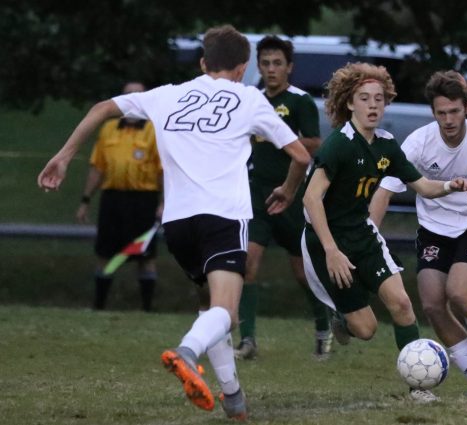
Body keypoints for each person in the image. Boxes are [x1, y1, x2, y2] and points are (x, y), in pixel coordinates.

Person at [38, 25, 311, 421]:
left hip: (179, 225)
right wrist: (287, 191)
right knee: (227, 312)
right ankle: (186, 351)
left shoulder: (166, 95)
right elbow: (301, 156)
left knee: (209, 307)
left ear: (203, 63)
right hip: (222, 217)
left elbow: (102, 108)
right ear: (244, 66)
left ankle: (233, 398)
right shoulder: (250, 99)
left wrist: (64, 155)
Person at [300, 62, 467, 403]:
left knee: (402, 304)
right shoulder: (339, 145)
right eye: (364, 98)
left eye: (379, 98)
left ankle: (418, 388)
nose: (373, 105)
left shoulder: (387, 145)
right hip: (327, 242)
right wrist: (332, 250)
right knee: (365, 330)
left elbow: (422, 186)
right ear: (350, 103)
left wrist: (449, 185)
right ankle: (342, 318)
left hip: (362, 236)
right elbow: (310, 198)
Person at [369, 70, 467, 399]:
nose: (449, 120)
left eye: (454, 111)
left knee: (458, 293)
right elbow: (384, 192)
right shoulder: (418, 143)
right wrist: (369, 238)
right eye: (441, 113)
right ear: (433, 113)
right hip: (433, 230)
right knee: (432, 304)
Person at [235, 35, 332, 361]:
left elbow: (315, 143)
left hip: (291, 193)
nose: (272, 69)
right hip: (258, 194)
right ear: (257, 67)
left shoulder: (300, 101)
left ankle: (323, 327)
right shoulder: (253, 100)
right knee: (247, 263)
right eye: (265, 63)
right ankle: (247, 341)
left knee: (302, 272)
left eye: (278, 63)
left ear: (289, 67)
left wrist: (282, 141)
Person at [76, 81, 162, 312]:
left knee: (145, 255)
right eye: (128, 96)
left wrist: (164, 202)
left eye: (138, 96)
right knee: (105, 252)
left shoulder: (155, 130)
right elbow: (97, 167)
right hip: (113, 199)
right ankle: (99, 306)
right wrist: (85, 200)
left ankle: (147, 309)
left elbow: (164, 170)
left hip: (143, 200)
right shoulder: (108, 128)